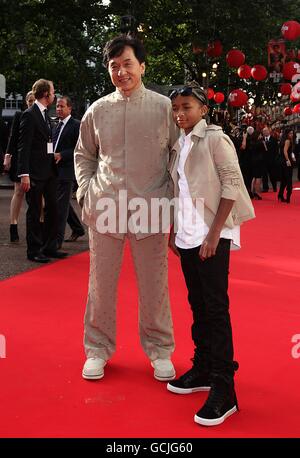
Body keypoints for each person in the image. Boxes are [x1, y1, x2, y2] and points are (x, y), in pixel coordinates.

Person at [74, 35, 178, 381]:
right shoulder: (98, 109)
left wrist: (174, 201)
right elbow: (84, 155)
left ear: (142, 66)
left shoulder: (164, 108)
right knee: (100, 285)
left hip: (152, 206)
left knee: (154, 285)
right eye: (114, 66)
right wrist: (87, 191)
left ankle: (160, 350)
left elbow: (178, 156)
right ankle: (97, 349)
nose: (121, 72)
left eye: (127, 64)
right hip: (105, 205)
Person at [167, 82, 255, 426]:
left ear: (203, 109)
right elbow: (182, 191)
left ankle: (224, 388)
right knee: (198, 304)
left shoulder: (216, 138)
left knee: (216, 309)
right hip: (189, 233)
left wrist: (214, 235)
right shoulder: (182, 142)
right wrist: (176, 230)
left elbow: (232, 185)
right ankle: (203, 368)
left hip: (212, 233)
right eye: (176, 108)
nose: (180, 113)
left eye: (186, 107)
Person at [17, 78, 68, 262]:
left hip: (49, 171)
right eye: (53, 92)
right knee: (34, 210)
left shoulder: (46, 114)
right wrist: (24, 174)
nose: (55, 95)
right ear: (46, 94)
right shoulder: (30, 115)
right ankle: (34, 250)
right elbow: (24, 146)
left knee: (53, 208)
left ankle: (49, 247)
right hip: (34, 173)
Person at [52, 96, 84, 249]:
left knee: (60, 206)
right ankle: (78, 229)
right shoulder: (55, 125)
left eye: (62, 106)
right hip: (54, 171)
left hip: (68, 171)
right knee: (62, 203)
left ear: (69, 108)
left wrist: (61, 155)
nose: (58, 109)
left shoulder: (76, 125)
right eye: (57, 106)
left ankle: (56, 243)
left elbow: (80, 149)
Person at [4, 91, 35, 242]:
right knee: (18, 192)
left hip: (35, 161)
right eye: (29, 100)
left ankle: (38, 228)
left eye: (33, 100)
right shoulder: (19, 115)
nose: (31, 102)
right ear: (26, 101)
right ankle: (13, 226)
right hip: (19, 158)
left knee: (38, 195)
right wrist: (8, 156)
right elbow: (13, 137)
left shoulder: (41, 117)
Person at [278, 128, 296, 203]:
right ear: (287, 134)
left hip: (282, 161)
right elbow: (285, 151)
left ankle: (280, 195)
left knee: (284, 180)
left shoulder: (283, 140)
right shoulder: (288, 141)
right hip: (286, 162)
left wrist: (292, 157)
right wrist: (288, 160)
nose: (291, 135)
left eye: (292, 133)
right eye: (290, 133)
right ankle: (288, 197)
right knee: (288, 179)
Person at [261, 126, 279, 193]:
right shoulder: (261, 140)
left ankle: (274, 187)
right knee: (264, 176)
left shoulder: (274, 140)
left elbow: (276, 151)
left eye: (266, 131)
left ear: (269, 131)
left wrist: (275, 160)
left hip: (272, 161)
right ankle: (265, 188)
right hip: (264, 161)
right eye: (263, 131)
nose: (265, 132)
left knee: (273, 175)